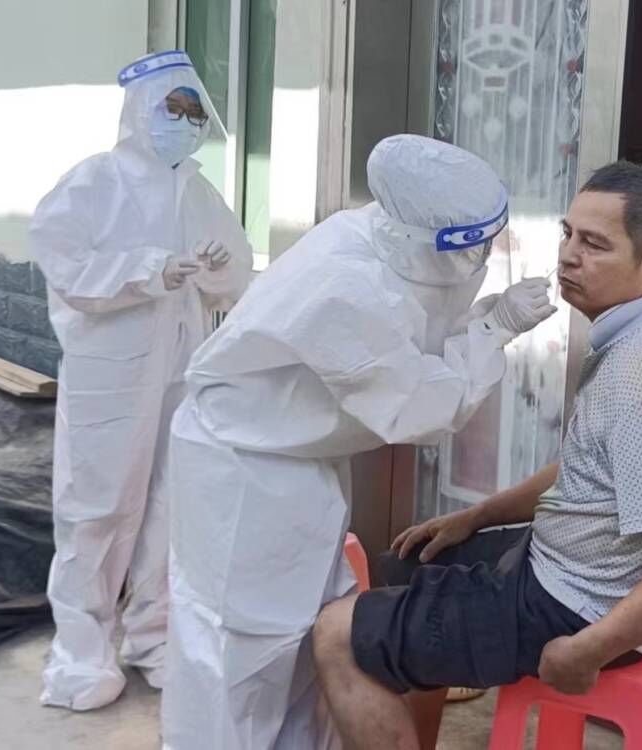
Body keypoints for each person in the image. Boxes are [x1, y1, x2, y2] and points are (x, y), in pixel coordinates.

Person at [312, 160, 642, 750]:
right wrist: (477, 516)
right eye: (568, 234)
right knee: (413, 558)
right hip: (563, 567)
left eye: (594, 244)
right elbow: (596, 470)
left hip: (574, 607)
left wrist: (588, 650)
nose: (568, 255)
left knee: (337, 634)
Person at [160, 134, 556, 748]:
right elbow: (416, 407)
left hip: (298, 464)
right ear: (413, 234)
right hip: (242, 475)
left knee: (304, 644)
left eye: (486, 241)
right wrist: (491, 330)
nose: (476, 259)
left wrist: (482, 317)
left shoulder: (393, 238)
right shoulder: (344, 285)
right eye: (466, 246)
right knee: (237, 653)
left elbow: (416, 329)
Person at [30, 50, 252, 711]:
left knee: (171, 506)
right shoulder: (93, 183)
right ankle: (79, 653)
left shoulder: (198, 191)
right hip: (112, 376)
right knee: (94, 511)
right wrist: (150, 270)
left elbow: (235, 272)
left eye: (192, 112)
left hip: (182, 370)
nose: (182, 123)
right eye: (171, 109)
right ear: (139, 113)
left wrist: (211, 269)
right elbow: (62, 259)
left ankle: (154, 639)